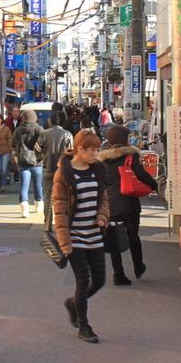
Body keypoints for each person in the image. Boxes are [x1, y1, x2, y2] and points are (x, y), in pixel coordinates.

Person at [53, 127, 110, 343]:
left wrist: (103, 216)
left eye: (97, 150)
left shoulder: (97, 170)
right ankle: (84, 326)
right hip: (75, 236)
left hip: (94, 235)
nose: (96, 154)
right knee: (83, 279)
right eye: (93, 150)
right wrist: (64, 242)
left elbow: (103, 199)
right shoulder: (64, 174)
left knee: (99, 280)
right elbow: (59, 210)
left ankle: (73, 303)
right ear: (80, 149)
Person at [99, 124, 158, 286]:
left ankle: (119, 275)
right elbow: (141, 174)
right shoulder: (130, 157)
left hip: (110, 205)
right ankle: (138, 267)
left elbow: (101, 183)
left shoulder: (103, 160)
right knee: (133, 236)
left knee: (113, 240)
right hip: (129, 204)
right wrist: (153, 184)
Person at [38, 110, 74, 231]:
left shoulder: (44, 133)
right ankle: (62, 224)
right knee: (63, 197)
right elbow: (71, 153)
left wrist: (42, 158)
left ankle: (47, 223)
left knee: (48, 196)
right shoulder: (67, 134)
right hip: (63, 170)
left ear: (50, 121)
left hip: (47, 168)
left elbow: (37, 148)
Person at [11, 108, 45, 218]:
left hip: (22, 160)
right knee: (38, 185)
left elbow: (12, 143)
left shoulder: (18, 130)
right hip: (37, 161)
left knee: (23, 186)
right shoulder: (39, 129)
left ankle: (24, 209)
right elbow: (45, 143)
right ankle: (38, 204)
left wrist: (15, 155)